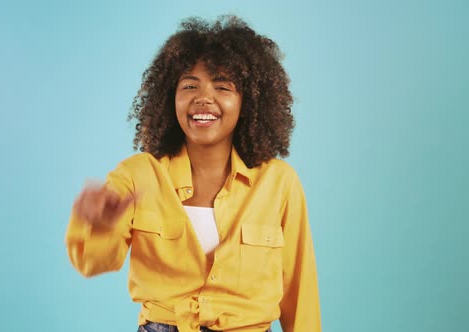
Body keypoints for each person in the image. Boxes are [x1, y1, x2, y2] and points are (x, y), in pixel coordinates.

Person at [65, 15, 321, 332]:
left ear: (249, 101)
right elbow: (93, 263)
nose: (203, 97)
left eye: (223, 86)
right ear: (169, 97)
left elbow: (299, 286)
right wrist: (99, 225)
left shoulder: (279, 182)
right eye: (189, 85)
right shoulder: (136, 175)